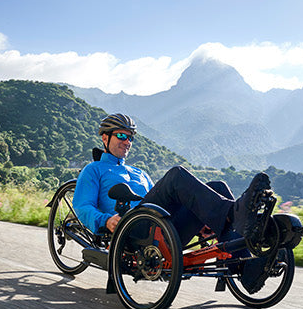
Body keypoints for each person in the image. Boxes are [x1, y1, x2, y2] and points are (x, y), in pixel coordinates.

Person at [72, 113, 271, 292]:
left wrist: (202, 222)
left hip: (162, 229)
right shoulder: (94, 170)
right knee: (176, 176)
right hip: (133, 230)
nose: (127, 142)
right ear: (105, 138)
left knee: (218, 186)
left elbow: (160, 201)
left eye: (130, 137)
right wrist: (106, 221)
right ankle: (236, 214)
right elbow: (82, 207)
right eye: (121, 136)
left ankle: (244, 268)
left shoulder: (139, 173)